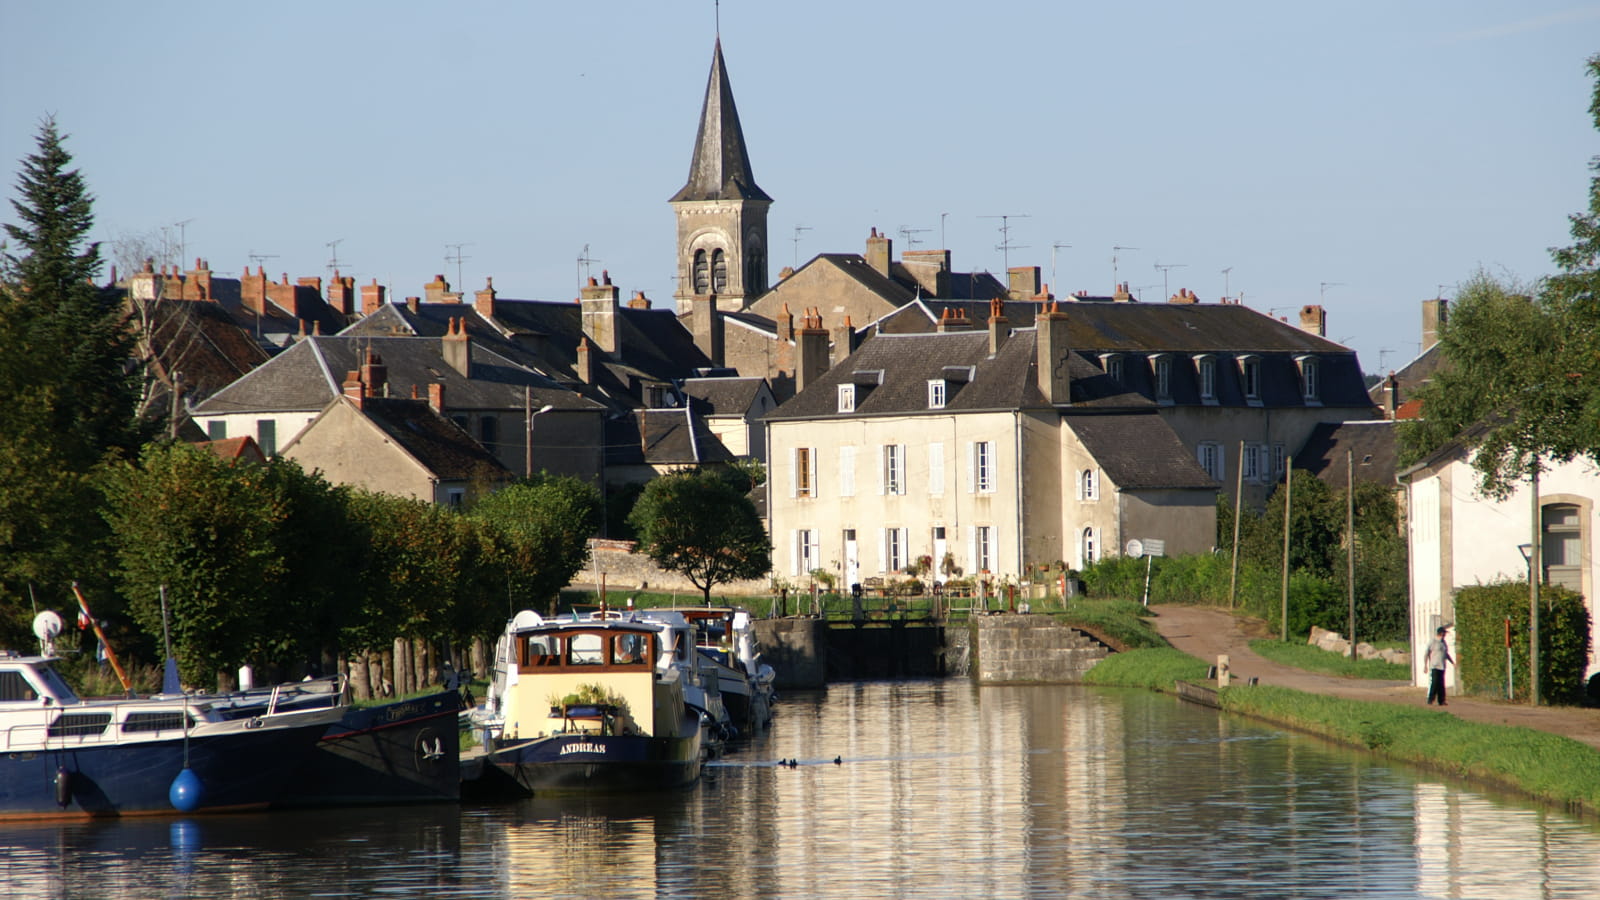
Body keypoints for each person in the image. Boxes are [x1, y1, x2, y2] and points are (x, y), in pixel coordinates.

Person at [1425, 626, 1453, 706]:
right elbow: (1426, 653)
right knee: (1434, 683)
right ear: (1441, 633)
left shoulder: (1443, 643)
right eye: (1444, 633)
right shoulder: (1433, 642)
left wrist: (1452, 662)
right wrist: (1425, 665)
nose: (1445, 635)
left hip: (1442, 666)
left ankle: (1441, 700)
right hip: (1434, 665)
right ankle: (1430, 699)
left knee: (1441, 684)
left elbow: (1446, 654)